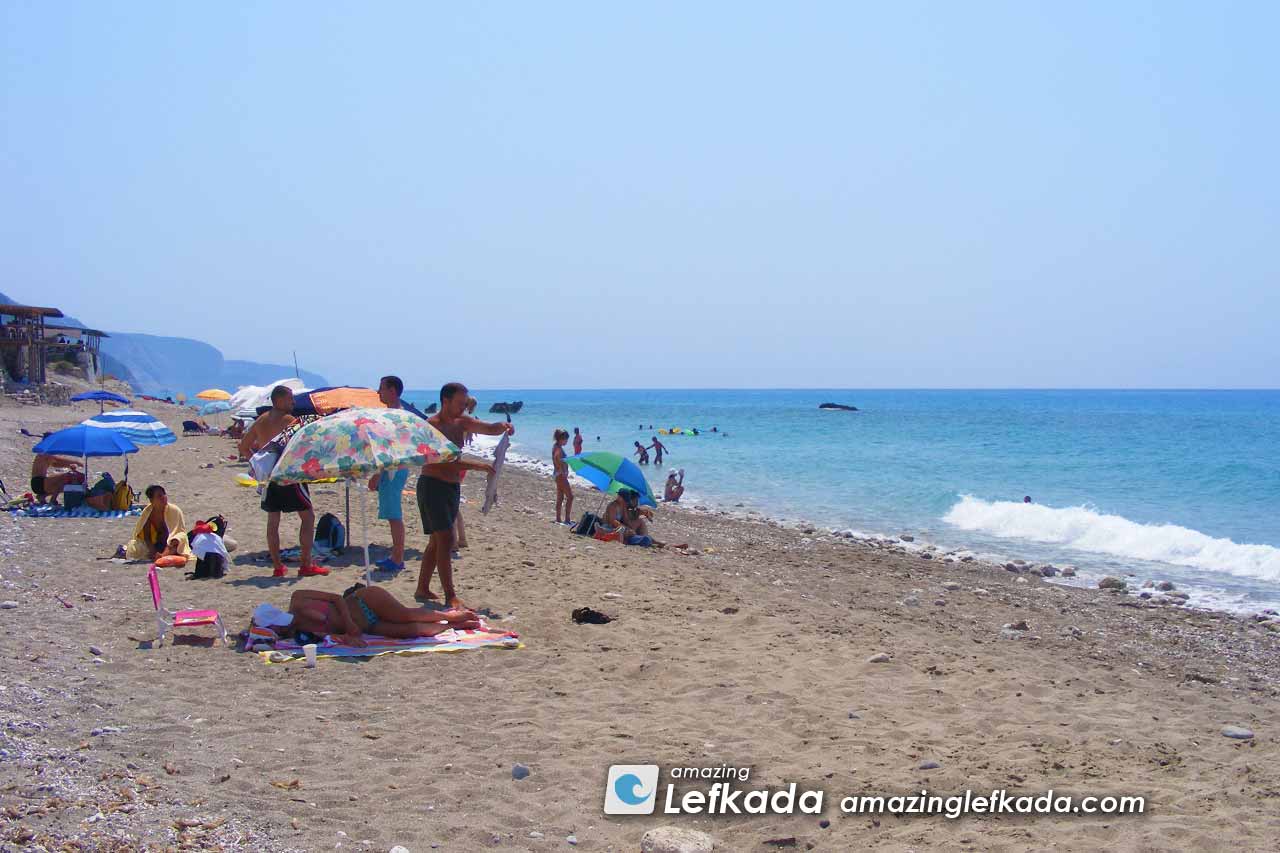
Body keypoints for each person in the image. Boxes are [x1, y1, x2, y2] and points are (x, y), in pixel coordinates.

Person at [416, 382, 513, 608]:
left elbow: (488, 428)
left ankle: (422, 588)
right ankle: (450, 595)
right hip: (433, 486)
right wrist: (479, 466)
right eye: (460, 403)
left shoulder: (462, 421)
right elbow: (443, 462)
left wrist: (504, 426)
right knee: (446, 540)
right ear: (445, 401)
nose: (463, 407)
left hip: (451, 487)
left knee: (436, 541)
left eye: (465, 403)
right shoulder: (432, 426)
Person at [239, 385, 325, 578]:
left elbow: (243, 447)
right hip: (289, 474)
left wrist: (258, 465)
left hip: (270, 477)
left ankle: (278, 567)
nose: (293, 402)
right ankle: (306, 564)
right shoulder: (289, 421)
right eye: (289, 399)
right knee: (308, 517)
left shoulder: (261, 420)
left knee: (273, 521)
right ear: (278, 400)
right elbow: (302, 447)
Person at [255, 589, 509, 648]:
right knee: (411, 631)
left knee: (405, 615)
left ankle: (449, 615)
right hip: (368, 625)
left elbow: (336, 598)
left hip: (363, 602)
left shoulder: (298, 598)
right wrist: (348, 638)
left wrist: (349, 624)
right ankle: (454, 625)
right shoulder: (299, 634)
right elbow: (329, 637)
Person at [370, 375, 413, 572]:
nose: (378, 392)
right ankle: (396, 557)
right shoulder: (395, 414)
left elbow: (392, 449)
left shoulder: (395, 417)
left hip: (393, 470)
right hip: (394, 469)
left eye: (382, 388)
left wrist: (378, 474)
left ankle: (397, 558)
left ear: (392, 391)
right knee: (392, 515)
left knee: (394, 515)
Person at [125, 485, 190, 561]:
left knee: (178, 539)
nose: (163, 497)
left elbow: (177, 532)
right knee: (138, 546)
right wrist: (153, 551)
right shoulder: (148, 512)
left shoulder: (174, 510)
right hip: (158, 543)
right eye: (159, 496)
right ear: (151, 500)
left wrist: (164, 553)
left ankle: (163, 556)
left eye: (164, 494)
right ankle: (159, 555)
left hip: (172, 543)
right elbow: (146, 536)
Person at [552, 429, 574, 524]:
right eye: (566, 439)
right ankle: (567, 519)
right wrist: (562, 469)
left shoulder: (556, 446)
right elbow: (556, 458)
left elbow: (556, 458)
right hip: (560, 475)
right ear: (561, 439)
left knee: (560, 497)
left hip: (557, 474)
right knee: (570, 497)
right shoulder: (558, 449)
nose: (567, 441)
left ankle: (558, 518)